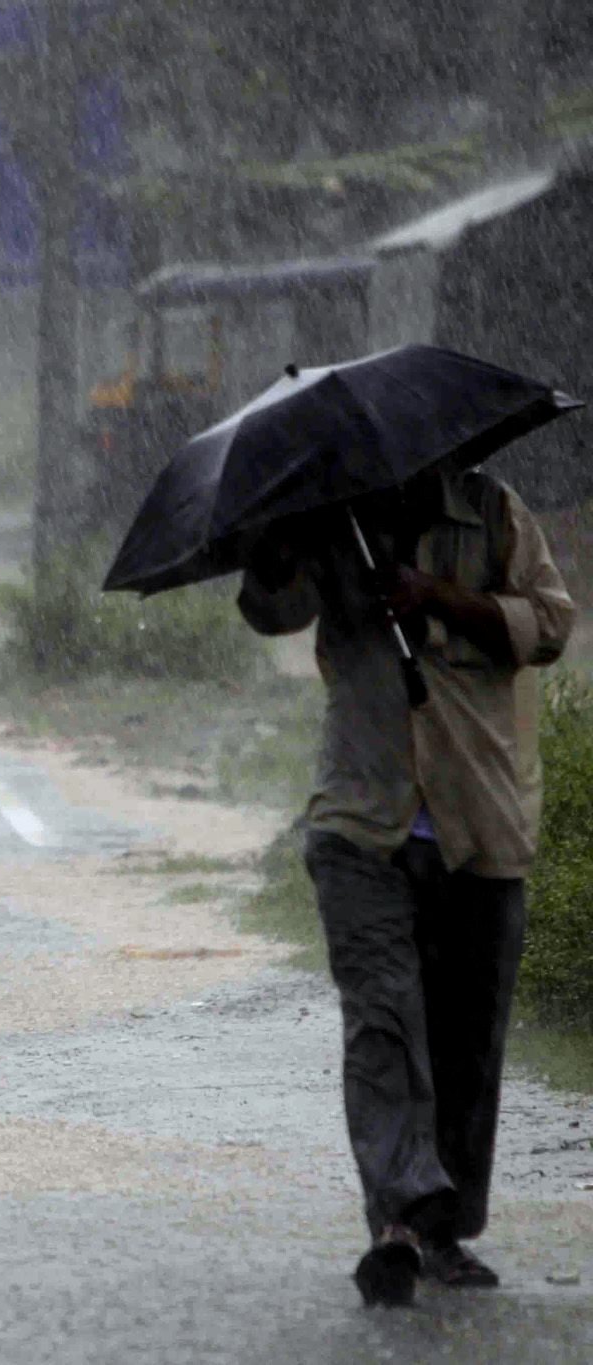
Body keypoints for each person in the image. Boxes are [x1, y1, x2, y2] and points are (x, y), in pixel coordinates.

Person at [238, 466, 573, 1307]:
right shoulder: (329, 516)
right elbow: (271, 612)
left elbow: (552, 623)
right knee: (383, 1019)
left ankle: (444, 1229)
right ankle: (397, 1221)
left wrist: (444, 597)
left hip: (479, 815)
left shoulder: (496, 510)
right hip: (362, 817)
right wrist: (276, 554)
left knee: (466, 1039)